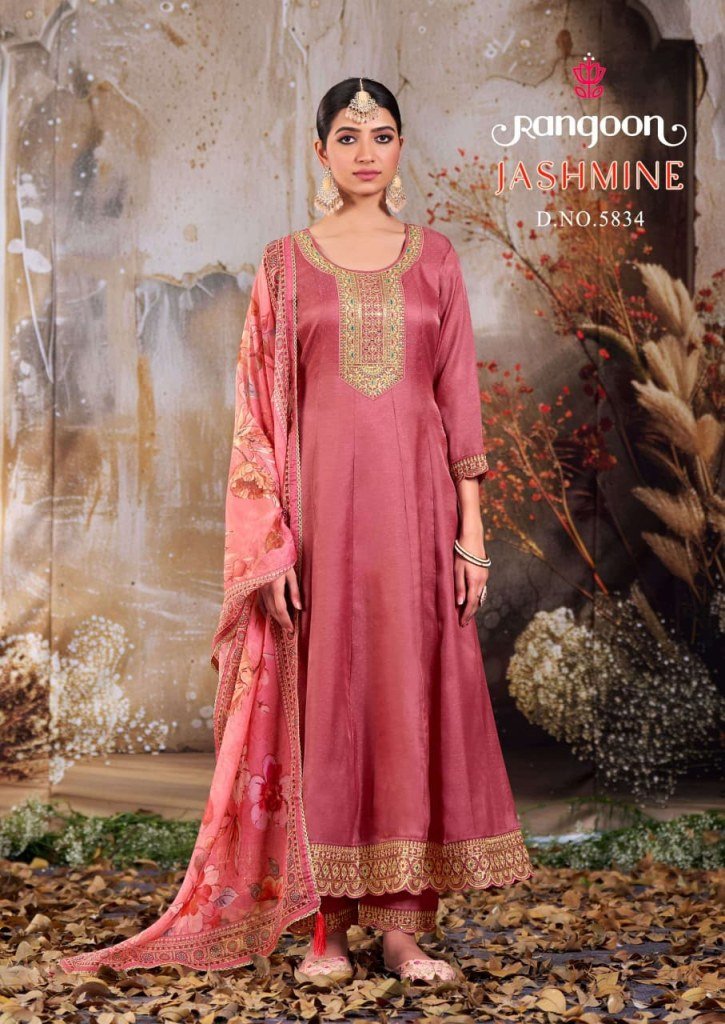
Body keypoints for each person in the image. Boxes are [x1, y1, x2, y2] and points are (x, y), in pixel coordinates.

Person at [57, 77, 533, 985]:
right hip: (319, 530)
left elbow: (459, 404)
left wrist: (470, 537)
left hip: (418, 522)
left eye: (381, 134)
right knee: (328, 708)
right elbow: (255, 418)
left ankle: (403, 929)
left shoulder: (435, 258)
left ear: (401, 148)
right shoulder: (284, 266)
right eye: (346, 136)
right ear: (320, 152)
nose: (365, 151)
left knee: (406, 704)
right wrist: (269, 542)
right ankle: (327, 929)